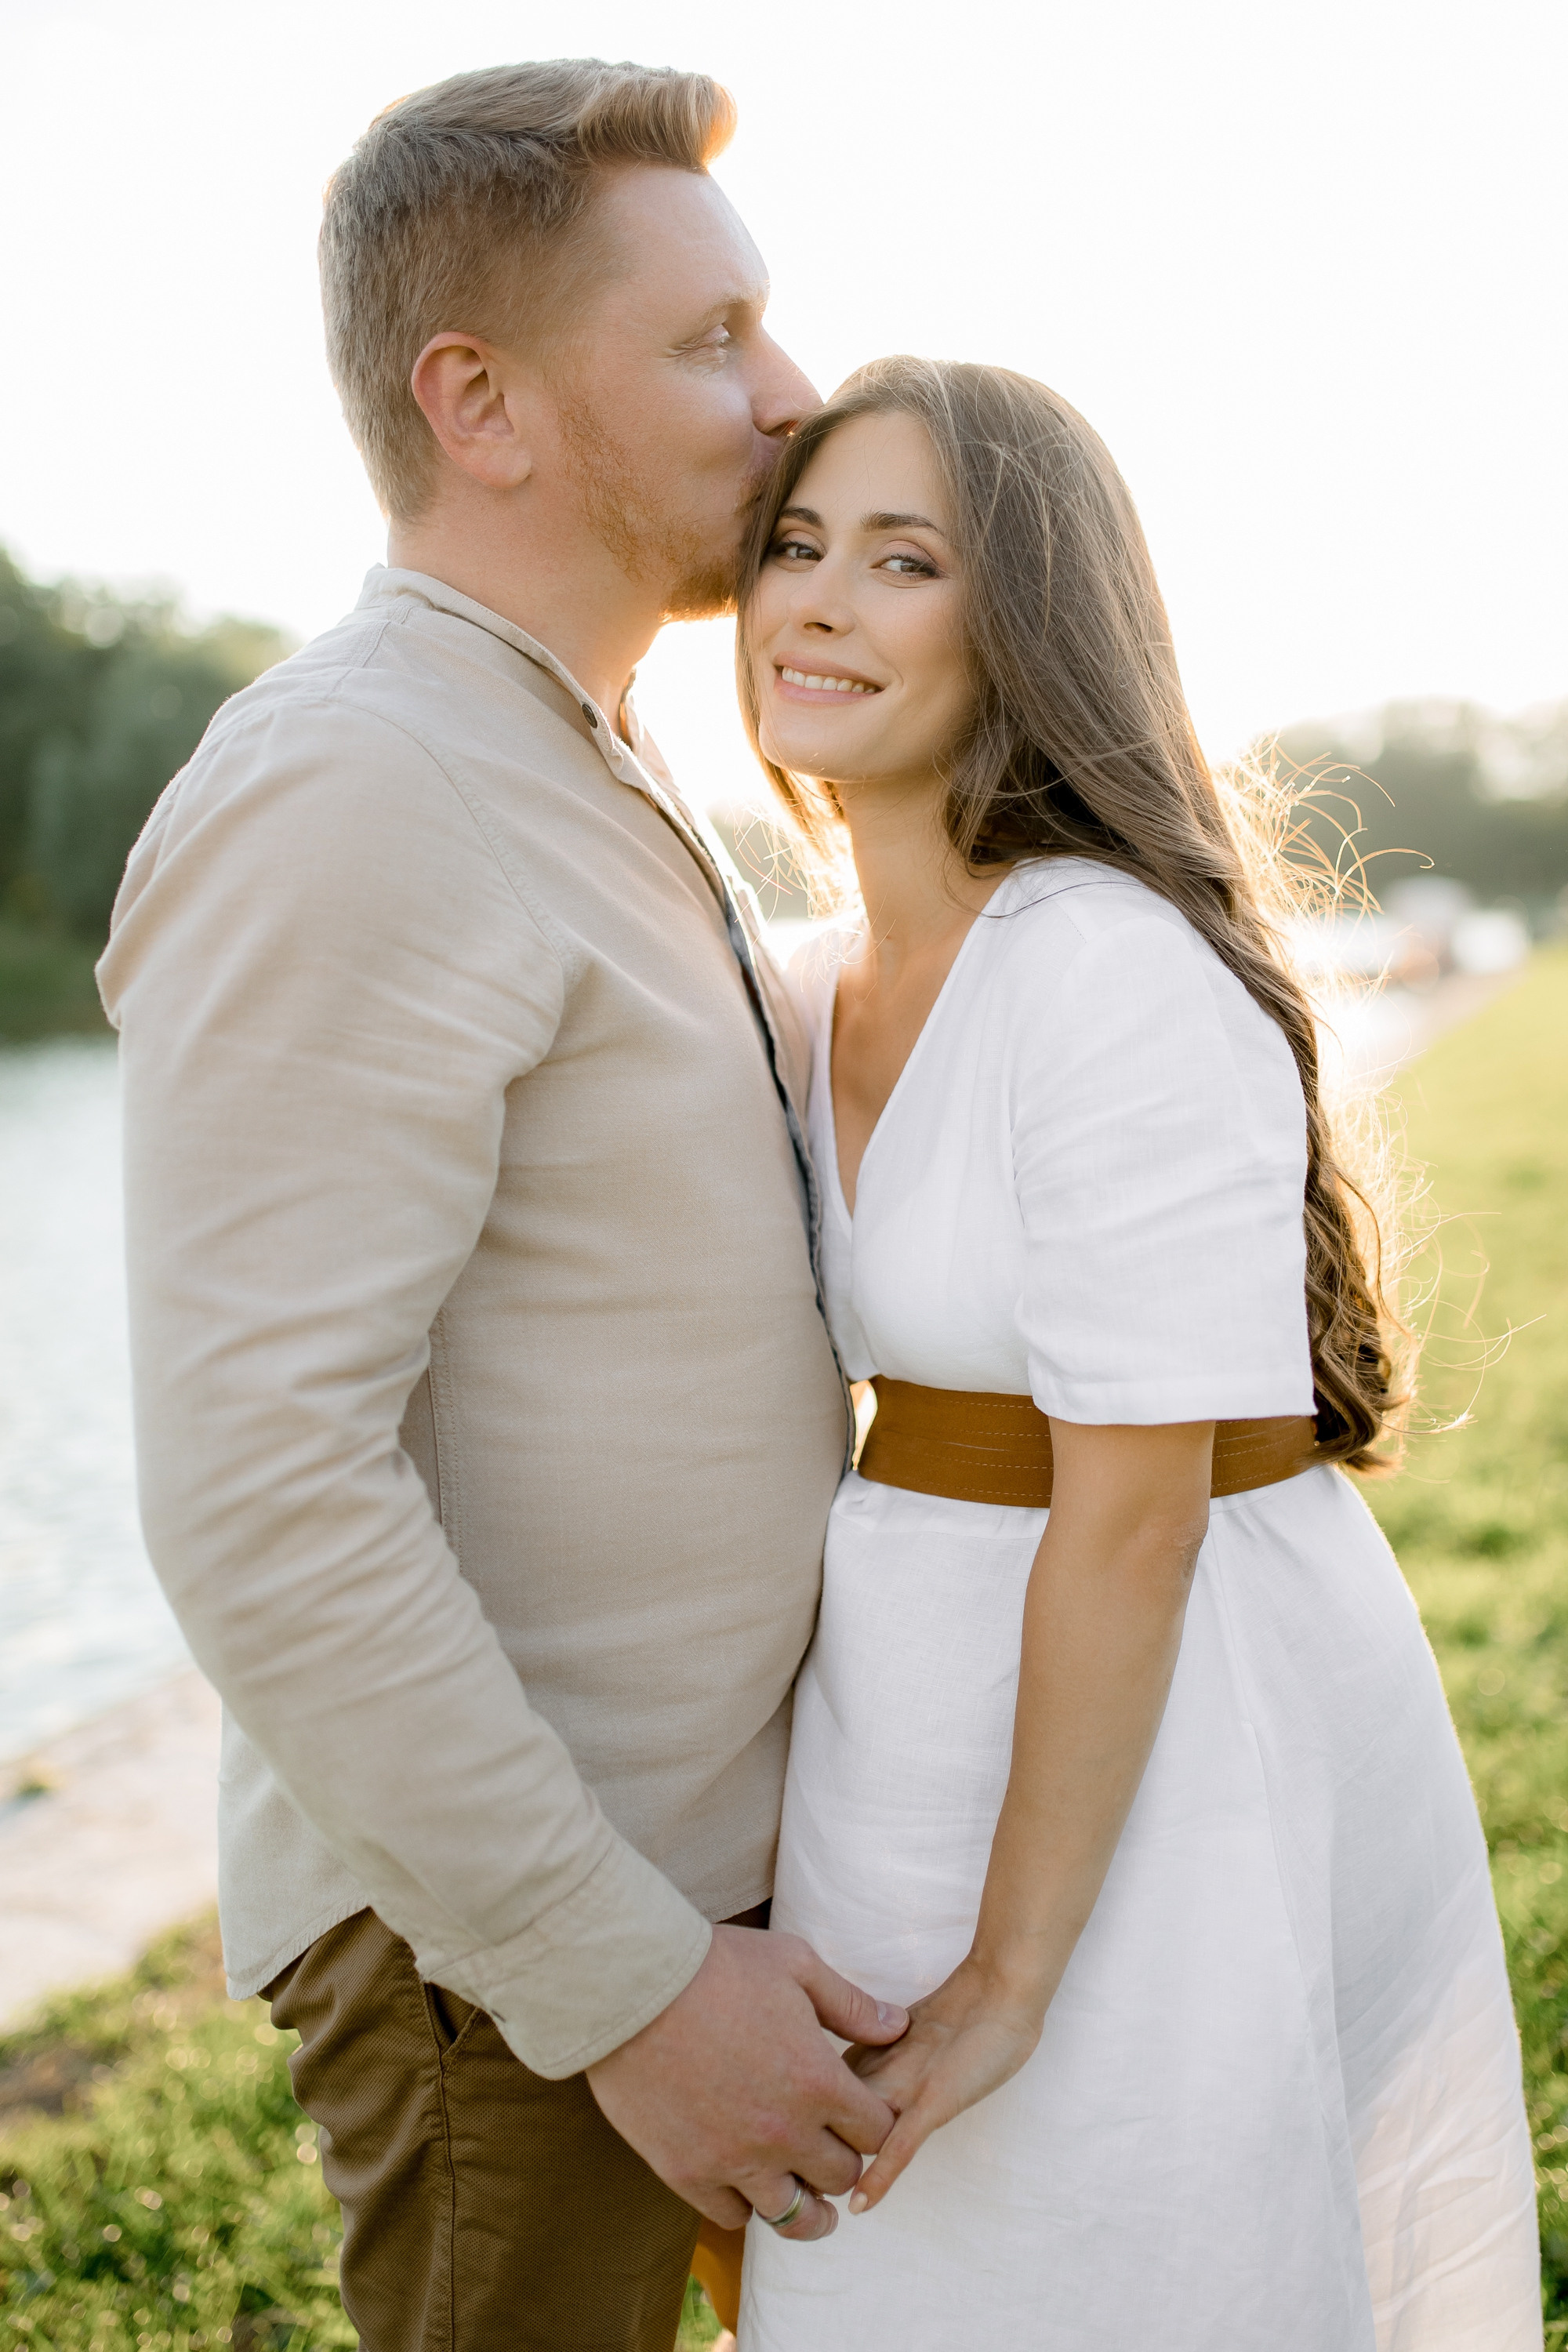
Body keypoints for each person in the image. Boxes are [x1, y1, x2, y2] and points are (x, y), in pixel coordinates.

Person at [96, 62, 909, 2352]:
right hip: (514, 1965)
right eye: (708, 342)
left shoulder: (584, 750)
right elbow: (261, 1489)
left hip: (689, 1902)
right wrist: (627, 1989)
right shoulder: (352, 782)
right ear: (483, 401)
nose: (792, 396)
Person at [731, 358, 1541, 2350]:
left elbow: (1132, 1525)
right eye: (795, 545)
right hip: (903, 1699)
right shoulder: (802, 976)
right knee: (897, 2269)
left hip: (1154, 1720)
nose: (818, 600)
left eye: (900, 560)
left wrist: (1011, 1975)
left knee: (1122, 2241)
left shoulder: (1096, 962)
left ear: (1024, 622)